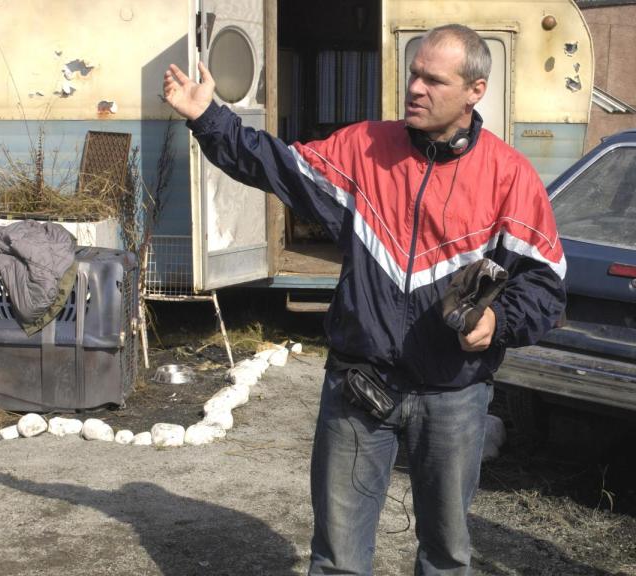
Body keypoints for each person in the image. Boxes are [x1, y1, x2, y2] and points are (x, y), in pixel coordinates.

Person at [163, 24, 566, 575]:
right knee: (337, 559)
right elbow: (275, 165)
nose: (415, 88)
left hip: (453, 396)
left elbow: (546, 284)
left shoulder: (510, 177)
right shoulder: (363, 148)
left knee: (446, 558)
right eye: (414, 74)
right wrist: (209, 118)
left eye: (433, 80)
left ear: (476, 90)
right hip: (359, 385)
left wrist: (499, 319)